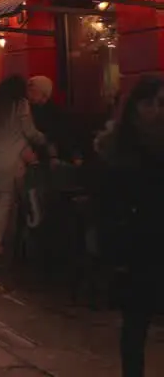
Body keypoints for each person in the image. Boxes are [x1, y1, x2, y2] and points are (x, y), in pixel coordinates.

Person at [95, 76, 164, 377]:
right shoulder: (118, 149)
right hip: (136, 250)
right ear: (135, 106)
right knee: (136, 326)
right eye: (150, 103)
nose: (156, 110)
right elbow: (106, 207)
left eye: (161, 104)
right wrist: (115, 254)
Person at [0, 75, 44, 256]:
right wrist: (45, 139)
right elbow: (29, 132)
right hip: (11, 158)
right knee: (5, 201)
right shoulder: (20, 104)